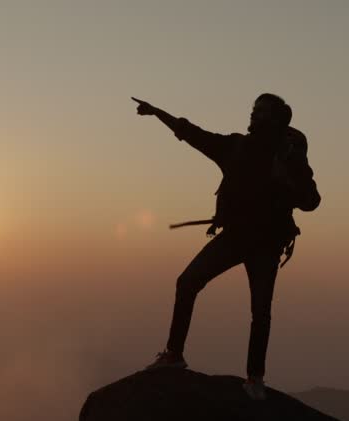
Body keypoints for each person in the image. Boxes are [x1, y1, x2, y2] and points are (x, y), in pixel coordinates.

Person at [132, 93, 320, 400]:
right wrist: (157, 113)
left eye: (259, 111)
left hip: (260, 243)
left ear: (272, 119)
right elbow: (192, 133)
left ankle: (250, 376)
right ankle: (181, 357)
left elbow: (311, 200)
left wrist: (285, 178)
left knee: (255, 309)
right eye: (254, 110)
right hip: (246, 239)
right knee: (199, 287)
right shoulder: (241, 148)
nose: (253, 115)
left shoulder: (282, 157)